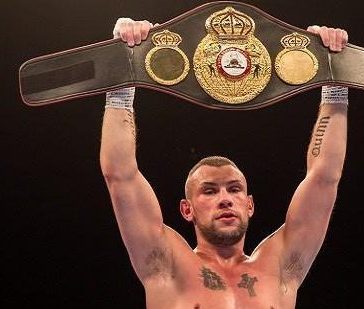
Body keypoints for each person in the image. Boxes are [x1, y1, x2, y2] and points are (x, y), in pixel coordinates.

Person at [100, 18, 348, 309]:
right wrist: (122, 68)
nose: (225, 200)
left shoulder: (280, 267)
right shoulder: (166, 265)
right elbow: (120, 174)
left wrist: (335, 75)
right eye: (209, 191)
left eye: (234, 189)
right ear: (186, 209)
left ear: (250, 204)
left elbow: (325, 178)